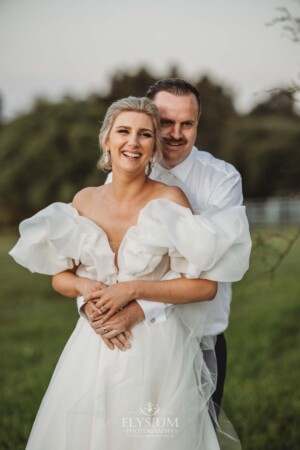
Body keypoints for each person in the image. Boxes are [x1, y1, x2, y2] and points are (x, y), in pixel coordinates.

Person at [10, 96, 251, 449]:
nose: (133, 142)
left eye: (144, 134)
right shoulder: (84, 200)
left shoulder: (171, 199)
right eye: (123, 131)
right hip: (93, 345)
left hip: (158, 347)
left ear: (154, 147)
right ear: (106, 139)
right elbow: (60, 277)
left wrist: (131, 291)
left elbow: (204, 287)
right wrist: (86, 292)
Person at [63, 79, 245, 414]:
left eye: (186, 124)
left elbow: (205, 277)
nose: (175, 133)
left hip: (200, 336)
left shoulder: (222, 180)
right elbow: (97, 258)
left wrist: (135, 307)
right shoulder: (121, 173)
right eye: (165, 123)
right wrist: (89, 306)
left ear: (197, 124)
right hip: (118, 336)